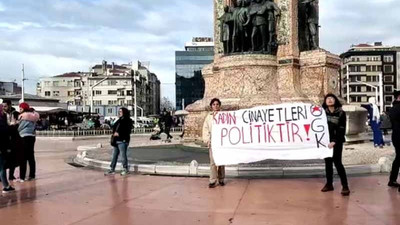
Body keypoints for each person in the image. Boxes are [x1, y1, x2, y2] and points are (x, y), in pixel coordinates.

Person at [321, 93, 350, 196]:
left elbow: (342, 129)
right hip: (326, 142)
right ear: (325, 102)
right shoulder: (322, 113)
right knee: (328, 163)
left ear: (335, 100)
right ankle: (329, 184)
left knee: (338, 163)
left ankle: (345, 186)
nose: (329, 100)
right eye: (327, 99)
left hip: (337, 141)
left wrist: (334, 141)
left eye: (331, 98)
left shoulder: (341, 113)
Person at [203, 98, 225, 188]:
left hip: (222, 142)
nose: (215, 106)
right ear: (211, 106)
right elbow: (205, 129)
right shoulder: (208, 117)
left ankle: (221, 179)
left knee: (221, 162)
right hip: (213, 142)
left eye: (217, 104)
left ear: (219, 106)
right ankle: (212, 180)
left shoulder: (224, 116)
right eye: (214, 104)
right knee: (212, 162)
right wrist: (207, 140)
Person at [105, 108, 133, 176]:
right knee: (114, 155)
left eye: (121, 111)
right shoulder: (119, 120)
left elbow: (128, 131)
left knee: (123, 155)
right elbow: (114, 127)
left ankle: (125, 169)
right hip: (116, 140)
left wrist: (119, 134)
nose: (119, 113)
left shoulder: (128, 121)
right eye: (119, 111)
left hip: (123, 140)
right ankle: (112, 169)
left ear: (124, 112)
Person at [18, 102, 40, 182]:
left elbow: (20, 127)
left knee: (23, 157)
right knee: (31, 157)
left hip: (24, 137)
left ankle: (22, 177)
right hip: (32, 137)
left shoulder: (24, 116)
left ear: (23, 108)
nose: (19, 110)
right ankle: (32, 175)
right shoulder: (34, 116)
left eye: (20, 108)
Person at [2, 100, 20, 181]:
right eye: (3, 106)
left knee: (13, 157)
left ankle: (11, 175)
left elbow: (18, 124)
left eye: (5, 106)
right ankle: (2, 176)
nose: (4, 107)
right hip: (4, 137)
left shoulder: (15, 113)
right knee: (4, 158)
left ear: (9, 105)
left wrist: (14, 125)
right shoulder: (1, 114)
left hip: (13, 137)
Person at [0, 104, 15, 193]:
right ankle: (6, 186)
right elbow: (4, 133)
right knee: (2, 167)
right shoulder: (1, 121)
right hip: (1, 147)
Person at [388, 90, 400, 189]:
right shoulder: (394, 108)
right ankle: (392, 180)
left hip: (397, 136)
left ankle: (392, 180)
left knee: (398, 158)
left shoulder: (394, 108)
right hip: (398, 136)